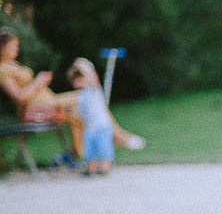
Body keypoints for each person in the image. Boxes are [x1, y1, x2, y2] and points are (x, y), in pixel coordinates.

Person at [0, 27, 145, 162]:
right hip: (37, 107)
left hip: (48, 101)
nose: (17, 49)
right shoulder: (3, 70)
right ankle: (118, 137)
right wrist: (38, 82)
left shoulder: (13, 65)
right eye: (13, 46)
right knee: (83, 96)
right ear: (2, 47)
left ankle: (92, 149)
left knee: (79, 112)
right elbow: (18, 97)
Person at [66, 58, 114, 176]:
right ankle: (90, 168)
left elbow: (93, 77)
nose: (78, 83)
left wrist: (84, 65)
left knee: (104, 147)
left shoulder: (93, 89)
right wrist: (72, 112)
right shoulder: (81, 96)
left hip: (101, 125)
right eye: (75, 81)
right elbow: (82, 113)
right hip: (89, 127)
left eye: (80, 79)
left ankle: (104, 168)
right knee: (89, 149)